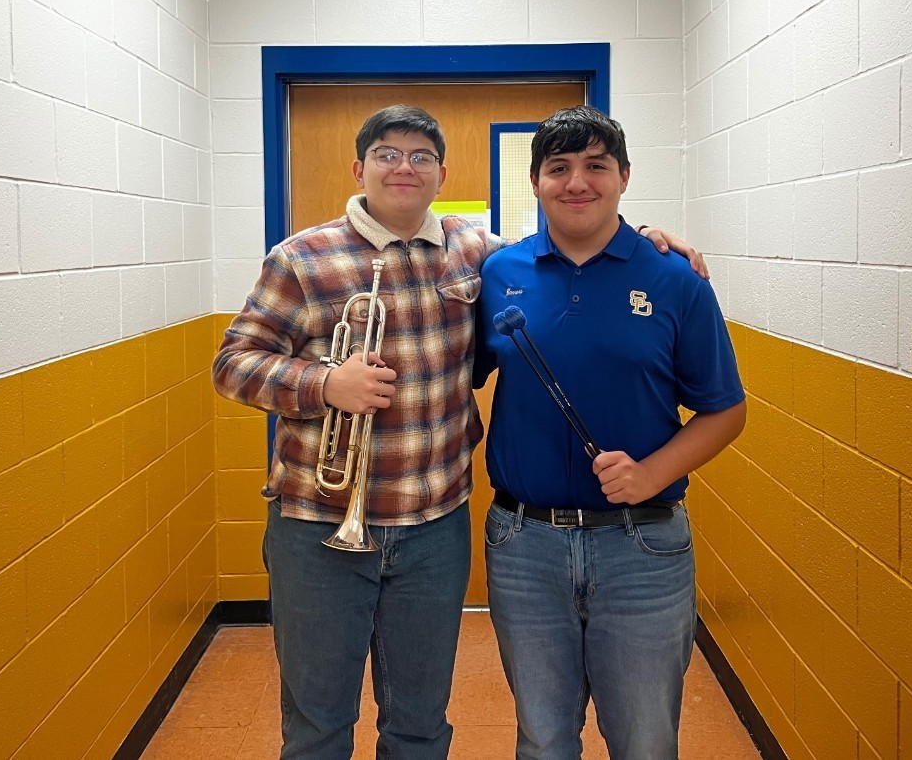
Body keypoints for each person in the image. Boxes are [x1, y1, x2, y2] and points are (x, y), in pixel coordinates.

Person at [212, 104, 705, 760]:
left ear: (441, 173)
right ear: (359, 167)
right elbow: (232, 363)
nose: (404, 167)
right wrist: (323, 383)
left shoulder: (476, 250)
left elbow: (567, 247)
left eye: (420, 156)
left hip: (433, 527)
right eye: (387, 153)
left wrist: (641, 241)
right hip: (317, 526)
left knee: (419, 725)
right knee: (317, 726)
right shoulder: (301, 257)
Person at [473, 105, 746, 760]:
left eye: (595, 166)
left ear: (623, 176)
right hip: (522, 545)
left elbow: (725, 410)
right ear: (535, 181)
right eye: (558, 167)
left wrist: (651, 473)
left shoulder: (675, 280)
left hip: (642, 549)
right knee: (542, 738)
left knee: (645, 742)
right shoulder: (497, 273)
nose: (577, 182)